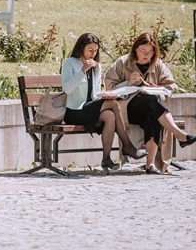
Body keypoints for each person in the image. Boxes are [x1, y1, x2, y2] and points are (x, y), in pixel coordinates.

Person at [104, 33, 196, 175]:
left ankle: (150, 165)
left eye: (150, 52)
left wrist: (158, 89)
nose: (146, 55)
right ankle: (179, 134)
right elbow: (109, 87)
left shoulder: (158, 65)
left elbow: (170, 87)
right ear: (135, 49)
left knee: (152, 115)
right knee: (151, 101)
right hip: (126, 110)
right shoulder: (122, 63)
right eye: (143, 51)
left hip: (151, 108)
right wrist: (127, 83)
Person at [62, 33, 146, 172]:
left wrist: (105, 96)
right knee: (113, 105)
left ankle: (106, 159)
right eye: (90, 50)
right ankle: (128, 146)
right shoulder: (70, 63)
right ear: (81, 48)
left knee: (110, 116)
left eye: (95, 50)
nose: (93, 54)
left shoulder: (97, 66)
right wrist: (83, 70)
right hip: (75, 111)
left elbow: (94, 94)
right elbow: (67, 89)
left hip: (91, 108)